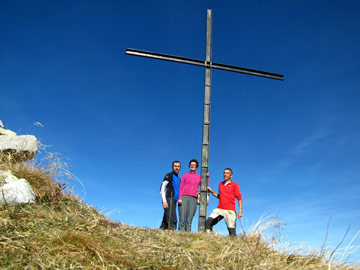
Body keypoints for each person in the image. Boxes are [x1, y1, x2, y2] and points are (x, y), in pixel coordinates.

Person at [206, 168, 242, 236]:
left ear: (231, 176)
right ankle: (209, 238)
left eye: (227, 173)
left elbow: (239, 198)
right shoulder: (220, 184)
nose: (225, 174)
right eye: (224, 173)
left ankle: (233, 244)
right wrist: (211, 191)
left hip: (230, 210)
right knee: (208, 222)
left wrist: (240, 211)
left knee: (232, 232)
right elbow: (220, 196)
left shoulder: (235, 185)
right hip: (220, 209)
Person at [178, 159, 201, 232]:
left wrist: (207, 177)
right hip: (184, 196)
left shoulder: (199, 177)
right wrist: (180, 198)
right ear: (189, 166)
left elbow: (205, 186)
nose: (192, 166)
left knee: (189, 218)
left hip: (194, 198)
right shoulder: (185, 175)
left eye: (194, 165)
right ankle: (180, 233)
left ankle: (187, 233)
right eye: (191, 164)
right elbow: (181, 187)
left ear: (196, 166)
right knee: (182, 217)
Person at [160, 161, 181, 230]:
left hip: (174, 200)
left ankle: (161, 230)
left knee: (166, 218)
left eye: (178, 166)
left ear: (180, 168)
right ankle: (172, 231)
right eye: (175, 166)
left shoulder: (179, 179)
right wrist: (164, 201)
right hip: (169, 198)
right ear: (172, 167)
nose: (176, 168)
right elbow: (162, 188)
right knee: (172, 218)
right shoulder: (169, 175)